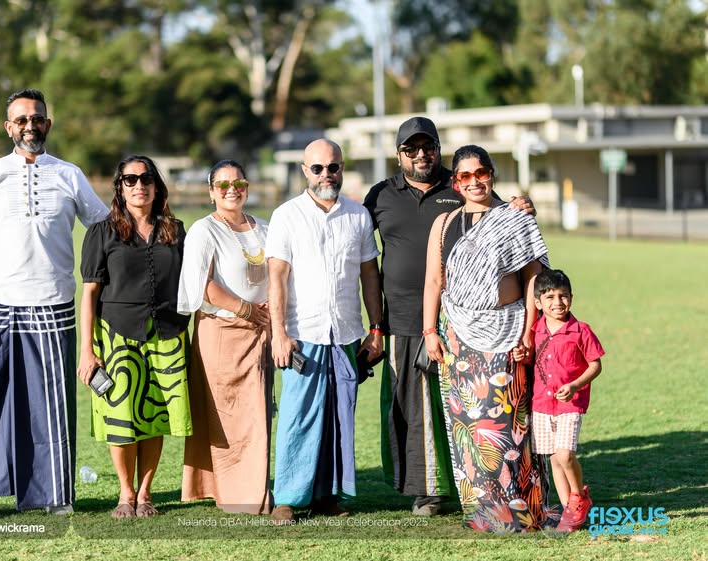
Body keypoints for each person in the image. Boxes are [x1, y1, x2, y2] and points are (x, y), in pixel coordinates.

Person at [363, 117, 536, 516]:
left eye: (429, 147)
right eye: (411, 149)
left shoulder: (458, 184)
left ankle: (477, 486)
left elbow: (503, 213)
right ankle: (428, 490)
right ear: (399, 154)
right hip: (405, 318)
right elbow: (358, 252)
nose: (421, 155)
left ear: (439, 149)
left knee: (465, 407)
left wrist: (525, 205)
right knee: (413, 407)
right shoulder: (380, 195)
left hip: (463, 321)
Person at [0, 88, 109, 517]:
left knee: (52, 407)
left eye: (36, 118)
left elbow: (101, 227)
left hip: (54, 306)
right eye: (21, 119)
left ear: (48, 123)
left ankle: (55, 494)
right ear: (9, 127)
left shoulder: (69, 174)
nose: (30, 125)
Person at [422, 145, 549, 532]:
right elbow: (433, 280)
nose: (474, 182)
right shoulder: (444, 224)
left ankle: (521, 512)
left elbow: (533, 279)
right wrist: (430, 331)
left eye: (481, 173)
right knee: (470, 431)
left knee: (509, 425)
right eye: (465, 176)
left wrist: (528, 331)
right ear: (455, 182)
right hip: (458, 336)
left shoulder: (514, 218)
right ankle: (483, 513)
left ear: (492, 174)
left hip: (507, 332)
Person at [267, 139, 384, 525]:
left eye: (332, 167)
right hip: (304, 334)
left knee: (339, 418)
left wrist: (376, 328)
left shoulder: (358, 216)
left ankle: (328, 496)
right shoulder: (286, 215)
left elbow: (370, 275)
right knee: (298, 417)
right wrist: (278, 333)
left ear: (342, 168)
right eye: (317, 169)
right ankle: (287, 497)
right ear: (305, 171)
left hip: (346, 333)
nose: (325, 175)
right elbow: (277, 277)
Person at [77, 155, 192, 519]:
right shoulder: (101, 232)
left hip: (168, 335)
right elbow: (89, 295)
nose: (138, 185)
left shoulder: (176, 229)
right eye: (130, 180)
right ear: (120, 187)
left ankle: (146, 493)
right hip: (117, 335)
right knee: (122, 416)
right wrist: (87, 351)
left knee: (155, 414)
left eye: (146, 179)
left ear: (157, 186)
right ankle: (125, 492)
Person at [177, 160, 273, 515]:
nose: (232, 190)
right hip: (221, 333)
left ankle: (249, 488)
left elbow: (277, 273)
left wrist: (269, 306)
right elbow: (201, 284)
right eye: (223, 185)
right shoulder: (204, 230)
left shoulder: (264, 227)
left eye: (239, 183)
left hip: (261, 334)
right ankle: (243, 497)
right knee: (227, 419)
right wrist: (244, 309)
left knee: (256, 416)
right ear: (210, 192)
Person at [514, 269, 603, 532]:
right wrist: (522, 355)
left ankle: (579, 497)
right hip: (541, 404)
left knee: (565, 455)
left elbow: (595, 365)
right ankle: (569, 511)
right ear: (538, 303)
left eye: (563, 296)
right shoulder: (535, 330)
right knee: (553, 458)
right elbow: (532, 359)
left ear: (572, 298)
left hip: (570, 404)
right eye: (550, 296)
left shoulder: (581, 330)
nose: (558, 302)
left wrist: (575, 385)